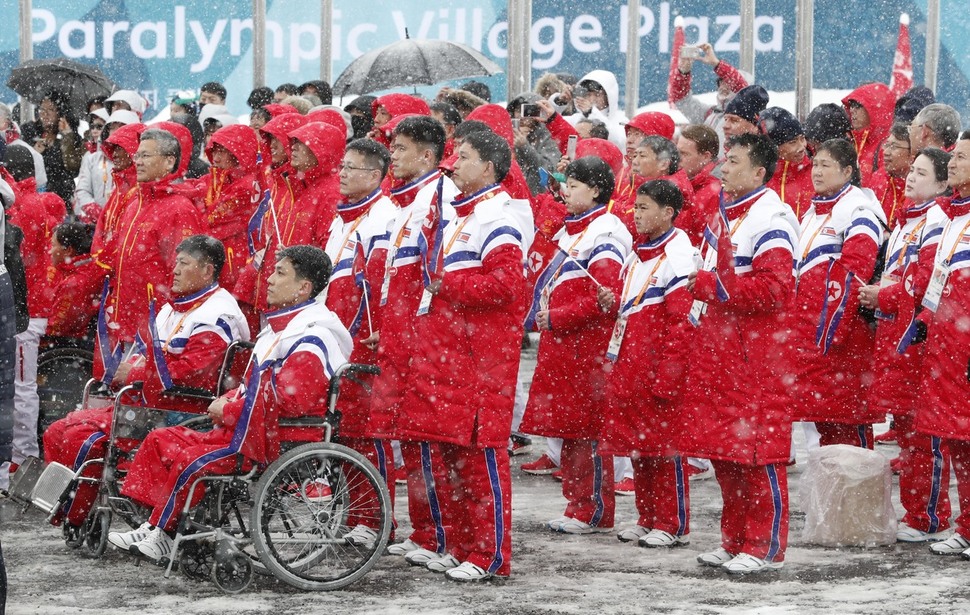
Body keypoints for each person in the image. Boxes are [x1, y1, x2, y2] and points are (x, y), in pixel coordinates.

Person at [107, 246, 350, 562]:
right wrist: (230, 399)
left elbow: (287, 399)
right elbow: (256, 388)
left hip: (274, 438)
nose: (270, 281)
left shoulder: (313, 333)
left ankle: (164, 532)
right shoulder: (278, 329)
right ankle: (155, 525)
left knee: (192, 459)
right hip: (245, 429)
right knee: (160, 440)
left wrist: (231, 409)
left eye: (280, 273)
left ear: (304, 288)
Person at [399, 129, 533, 581]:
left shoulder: (497, 216)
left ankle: (491, 556)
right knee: (450, 456)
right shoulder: (461, 215)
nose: (453, 163)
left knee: (479, 461)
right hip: (452, 353)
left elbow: (507, 287)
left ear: (490, 168)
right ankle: (460, 546)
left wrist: (447, 286)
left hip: (480, 360)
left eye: (465, 156)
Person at [45, 235, 249, 530]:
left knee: (81, 438)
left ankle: (75, 516)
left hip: (178, 406)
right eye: (175, 262)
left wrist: (136, 375)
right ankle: (67, 510)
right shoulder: (175, 307)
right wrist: (131, 371)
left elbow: (194, 373)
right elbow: (149, 357)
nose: (175, 270)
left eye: (184, 263)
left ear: (207, 271)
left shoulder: (217, 313)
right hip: (145, 400)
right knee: (56, 431)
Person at [681, 133, 799, 574]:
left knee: (758, 453)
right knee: (724, 451)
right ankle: (734, 540)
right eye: (725, 160)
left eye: (733, 162)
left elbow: (775, 288)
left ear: (758, 172)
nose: (723, 168)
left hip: (757, 355)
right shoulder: (724, 213)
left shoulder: (772, 216)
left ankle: (765, 545)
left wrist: (711, 287)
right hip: (720, 348)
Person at [521, 156, 632, 535]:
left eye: (573, 185)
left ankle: (595, 509)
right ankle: (577, 504)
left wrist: (557, 318)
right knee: (569, 429)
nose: (565, 192)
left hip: (588, 348)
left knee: (588, 430)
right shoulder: (574, 230)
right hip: (564, 347)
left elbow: (606, 297)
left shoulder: (606, 232)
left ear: (596, 190)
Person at [367, 116, 459, 560]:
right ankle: (427, 531)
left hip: (424, 340)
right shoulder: (403, 203)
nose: (393, 157)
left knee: (428, 440)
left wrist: (419, 335)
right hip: (399, 337)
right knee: (410, 437)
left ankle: (439, 533)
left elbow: (433, 280)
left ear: (427, 155)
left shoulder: (436, 199)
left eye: (401, 148)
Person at [858, 147, 952, 542]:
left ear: (943, 183)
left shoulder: (936, 219)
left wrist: (883, 296)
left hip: (916, 341)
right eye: (911, 170)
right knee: (908, 430)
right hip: (895, 338)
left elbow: (925, 285)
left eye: (922, 172)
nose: (911, 177)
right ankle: (917, 512)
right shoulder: (907, 219)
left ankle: (929, 516)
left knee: (924, 435)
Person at [597, 179, 696, 548]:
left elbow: (682, 322)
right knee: (640, 447)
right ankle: (647, 516)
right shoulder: (639, 253)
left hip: (657, 368)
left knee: (665, 449)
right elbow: (634, 309)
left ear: (668, 213)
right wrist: (612, 301)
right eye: (635, 207)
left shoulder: (678, 257)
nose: (636, 214)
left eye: (644, 208)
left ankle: (672, 523)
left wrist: (670, 372)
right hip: (632, 366)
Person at [321, 138, 397, 544]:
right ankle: (356, 516)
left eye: (351, 168)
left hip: (365, 338)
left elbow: (383, 283)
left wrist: (380, 329)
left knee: (369, 433)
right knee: (346, 430)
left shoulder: (381, 216)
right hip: (340, 336)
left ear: (374, 175)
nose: (343, 174)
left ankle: (378, 520)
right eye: (342, 166)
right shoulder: (343, 216)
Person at [789, 139, 885, 447]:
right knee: (827, 427)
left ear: (847, 171)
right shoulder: (813, 212)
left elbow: (855, 271)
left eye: (825, 165)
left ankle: (857, 496)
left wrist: (831, 333)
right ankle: (835, 496)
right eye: (815, 164)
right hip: (814, 334)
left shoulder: (860, 210)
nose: (816, 172)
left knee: (850, 428)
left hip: (843, 336)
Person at [96, 125, 207, 360]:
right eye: (137, 155)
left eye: (145, 156)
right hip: (127, 320)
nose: (137, 161)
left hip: (157, 327)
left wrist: (167, 320)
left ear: (169, 162)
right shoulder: (135, 203)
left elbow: (187, 274)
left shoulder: (179, 209)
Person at [2, 145, 62, 478]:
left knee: (21, 385)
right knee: (19, 384)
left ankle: (23, 456)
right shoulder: (33, 203)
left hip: (25, 308)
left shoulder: (20, 208)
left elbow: (18, 261)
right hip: (29, 304)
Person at [179, 124, 261, 290]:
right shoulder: (216, 178)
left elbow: (213, 219)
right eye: (214, 151)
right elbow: (193, 189)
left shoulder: (248, 185)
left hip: (235, 263)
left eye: (222, 151)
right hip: (218, 259)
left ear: (239, 153)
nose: (215, 158)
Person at [670, 42, 750, 157]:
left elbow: (745, 92)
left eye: (729, 83)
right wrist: (683, 72)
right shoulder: (709, 113)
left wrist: (716, 64)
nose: (723, 86)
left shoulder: (749, 116)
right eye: (721, 82)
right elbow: (680, 99)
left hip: (736, 173)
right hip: (708, 174)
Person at [19, 90, 83, 208]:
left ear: (61, 113)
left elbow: (74, 170)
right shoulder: (29, 132)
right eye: (42, 109)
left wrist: (67, 137)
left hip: (61, 199)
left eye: (51, 110)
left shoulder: (71, 137)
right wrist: (34, 153)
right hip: (33, 199)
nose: (45, 114)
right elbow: (20, 167)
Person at [46, 222, 99, 339]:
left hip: (67, 345)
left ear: (68, 250)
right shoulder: (82, 269)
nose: (50, 251)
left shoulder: (74, 283)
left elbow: (57, 327)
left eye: (53, 245)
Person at [759, 107, 815, 220]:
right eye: (792, 142)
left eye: (802, 138)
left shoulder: (817, 172)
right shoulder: (758, 176)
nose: (801, 146)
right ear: (775, 147)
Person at [842, 83, 896, 186]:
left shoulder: (887, 147)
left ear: (875, 109)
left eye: (858, 105)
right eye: (851, 105)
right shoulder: (852, 141)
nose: (852, 110)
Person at [560, 70, 628, 150]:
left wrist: (591, 113)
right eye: (588, 94)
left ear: (609, 96)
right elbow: (551, 126)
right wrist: (560, 102)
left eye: (597, 94)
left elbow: (620, 142)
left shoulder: (620, 119)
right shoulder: (575, 119)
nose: (592, 99)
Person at [871, 123, 914, 228]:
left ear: (912, 154)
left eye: (894, 147)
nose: (886, 152)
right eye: (886, 145)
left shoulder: (919, 187)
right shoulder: (878, 178)